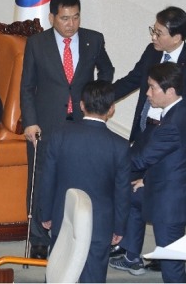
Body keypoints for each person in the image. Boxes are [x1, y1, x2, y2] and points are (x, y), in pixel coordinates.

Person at [111, 6, 186, 271]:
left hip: (175, 136)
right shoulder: (152, 52)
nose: (153, 35)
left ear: (176, 37)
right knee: (135, 188)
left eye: (159, 32)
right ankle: (131, 254)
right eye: (154, 29)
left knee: (163, 189)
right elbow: (132, 80)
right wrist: (103, 99)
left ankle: (165, 254)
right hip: (147, 130)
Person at [20, 0, 114, 259]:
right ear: (52, 17)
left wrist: (97, 100)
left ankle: (72, 231)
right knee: (40, 180)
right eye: (64, 18)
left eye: (75, 17)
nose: (71, 24)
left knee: (77, 177)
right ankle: (38, 238)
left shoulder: (93, 40)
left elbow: (106, 71)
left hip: (82, 123)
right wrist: (30, 122)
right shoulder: (37, 43)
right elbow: (27, 86)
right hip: (46, 123)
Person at [109, 62, 186, 282]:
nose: (147, 93)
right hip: (169, 188)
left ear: (170, 91)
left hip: (169, 204)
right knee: (132, 196)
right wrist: (146, 180)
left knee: (171, 267)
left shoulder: (172, 124)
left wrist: (106, 161)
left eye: (152, 88)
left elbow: (141, 158)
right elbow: (169, 158)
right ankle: (131, 255)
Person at [39, 80, 130, 282]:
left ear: (81, 105)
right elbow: (122, 192)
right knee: (93, 276)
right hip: (100, 223)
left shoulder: (59, 135)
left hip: (64, 217)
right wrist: (119, 227)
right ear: (112, 109)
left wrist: (46, 213)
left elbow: (48, 178)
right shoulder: (120, 146)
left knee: (59, 272)